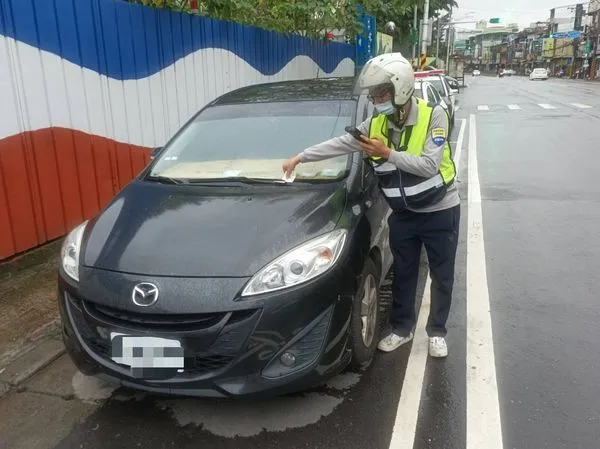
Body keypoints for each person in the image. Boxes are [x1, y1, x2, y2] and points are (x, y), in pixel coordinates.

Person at [282, 53, 460, 358]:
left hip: (439, 209)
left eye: (382, 92)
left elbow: (430, 165)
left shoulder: (435, 115)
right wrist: (302, 156)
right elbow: (342, 143)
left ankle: (437, 331)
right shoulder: (376, 121)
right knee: (404, 273)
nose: (377, 99)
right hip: (403, 214)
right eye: (374, 94)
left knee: (442, 275)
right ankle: (402, 329)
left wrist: (386, 153)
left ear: (400, 88)